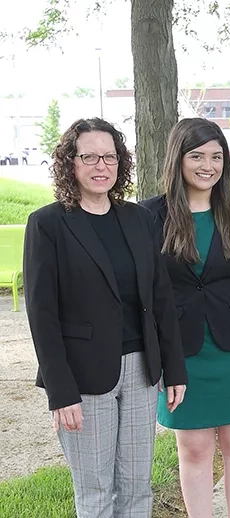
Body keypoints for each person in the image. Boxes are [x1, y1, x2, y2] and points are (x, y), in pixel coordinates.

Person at [23, 117, 187, 518]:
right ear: (70, 163)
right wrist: (61, 392)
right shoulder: (47, 224)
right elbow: (41, 315)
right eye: (89, 156)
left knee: (136, 487)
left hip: (141, 370)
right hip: (83, 376)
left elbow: (160, 298)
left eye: (109, 156)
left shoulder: (138, 219)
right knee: (95, 490)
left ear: (120, 162)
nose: (101, 165)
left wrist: (175, 368)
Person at [141, 118, 230, 518]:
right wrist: (161, 360)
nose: (208, 165)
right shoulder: (150, 214)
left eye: (217, 156)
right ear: (177, 159)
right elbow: (146, 294)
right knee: (194, 449)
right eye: (197, 155)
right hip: (180, 351)